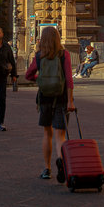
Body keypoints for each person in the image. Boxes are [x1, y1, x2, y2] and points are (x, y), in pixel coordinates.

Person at [24, 25, 74, 180]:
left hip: (45, 97)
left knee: (47, 133)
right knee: (61, 134)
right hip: (61, 98)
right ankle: (61, 160)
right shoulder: (64, 54)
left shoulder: (39, 56)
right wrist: (70, 101)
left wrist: (38, 80)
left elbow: (28, 75)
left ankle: (47, 169)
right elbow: (69, 80)